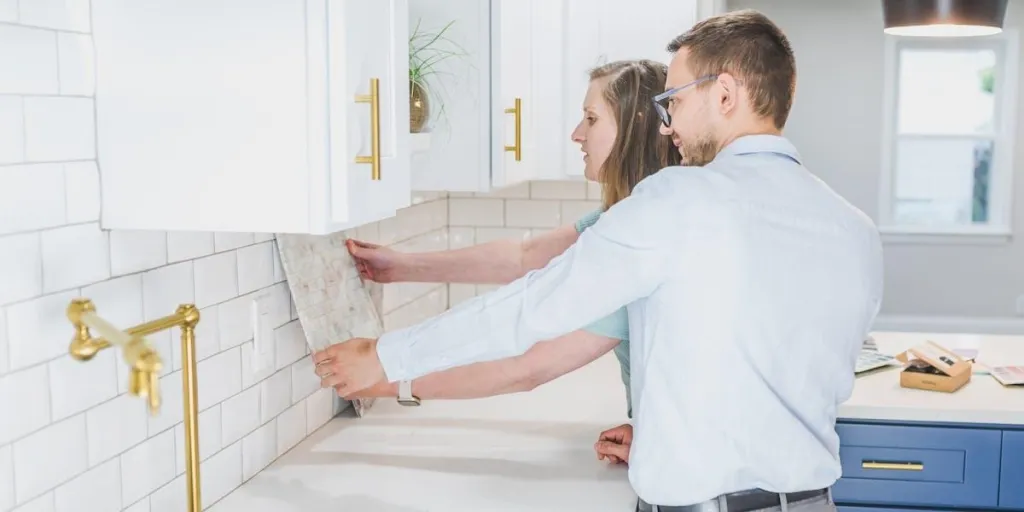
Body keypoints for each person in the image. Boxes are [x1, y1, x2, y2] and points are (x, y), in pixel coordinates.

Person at [315, 9, 883, 512]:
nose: (668, 125)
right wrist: (667, 433)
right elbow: (785, 372)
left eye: (675, 101)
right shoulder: (855, 229)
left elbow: (536, 304)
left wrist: (387, 357)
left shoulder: (677, 200)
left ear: (726, 94)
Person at [342, 58, 681, 465]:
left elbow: (527, 367)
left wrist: (381, 377)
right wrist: (403, 266)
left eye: (591, 119)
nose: (577, 134)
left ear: (635, 125)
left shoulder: (638, 238)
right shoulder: (628, 216)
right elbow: (526, 256)